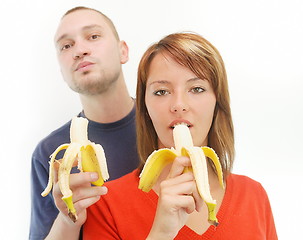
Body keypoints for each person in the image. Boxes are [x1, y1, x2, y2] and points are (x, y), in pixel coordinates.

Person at [83, 32, 278, 239]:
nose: (178, 105)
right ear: (145, 107)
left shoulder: (254, 195)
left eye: (196, 88)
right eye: (161, 92)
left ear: (217, 104)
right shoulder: (105, 205)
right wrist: (161, 232)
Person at [29, 6, 140, 240]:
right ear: (61, 71)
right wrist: (68, 219)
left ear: (123, 52)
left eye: (93, 36)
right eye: (66, 46)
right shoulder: (49, 154)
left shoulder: (166, 123)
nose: (79, 50)